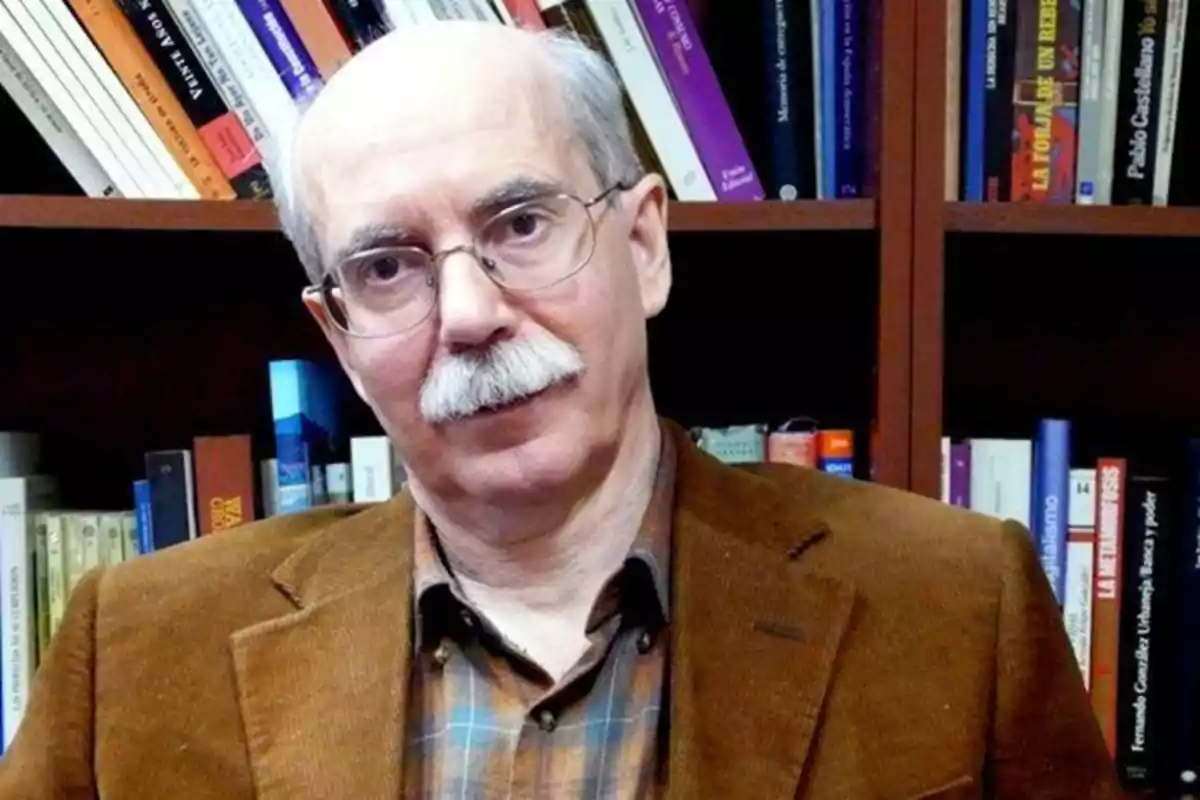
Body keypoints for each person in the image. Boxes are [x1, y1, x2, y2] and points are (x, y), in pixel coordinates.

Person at [0, 20, 1122, 800]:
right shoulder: (136, 651)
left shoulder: (960, 606)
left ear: (641, 245)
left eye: (522, 225)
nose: (472, 311)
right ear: (338, 333)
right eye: (388, 265)